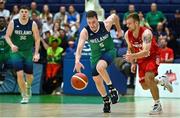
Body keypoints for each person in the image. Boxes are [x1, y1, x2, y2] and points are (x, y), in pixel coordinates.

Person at [123, 13, 173, 115]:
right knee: (145, 86)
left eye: (129, 23)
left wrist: (132, 57)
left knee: (149, 77)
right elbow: (130, 48)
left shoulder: (146, 33)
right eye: (127, 23)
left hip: (153, 56)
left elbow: (146, 51)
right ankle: (162, 81)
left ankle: (157, 105)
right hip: (140, 59)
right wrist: (133, 63)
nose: (127, 26)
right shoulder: (127, 34)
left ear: (136, 23)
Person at [74, 10, 122, 113]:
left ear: (97, 19)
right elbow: (79, 48)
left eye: (94, 22)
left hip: (109, 51)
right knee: (97, 80)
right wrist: (77, 60)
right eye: (89, 22)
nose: (92, 25)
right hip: (96, 56)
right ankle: (106, 100)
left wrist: (119, 29)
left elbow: (114, 16)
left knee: (100, 67)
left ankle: (112, 89)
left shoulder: (106, 24)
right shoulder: (85, 31)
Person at [5, 6, 40, 104]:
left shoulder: (32, 24)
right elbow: (7, 36)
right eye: (22, 12)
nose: (24, 13)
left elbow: (37, 39)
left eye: (25, 12)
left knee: (30, 76)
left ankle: (28, 86)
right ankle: (24, 95)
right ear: (19, 13)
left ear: (28, 13)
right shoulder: (13, 23)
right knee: (19, 74)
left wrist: (36, 53)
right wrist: (11, 45)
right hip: (16, 53)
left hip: (28, 52)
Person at [0, 16, 10, 84]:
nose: (2, 22)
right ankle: (1, 78)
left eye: (3, 21)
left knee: (14, 71)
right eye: (0, 21)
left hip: (8, 54)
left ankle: (23, 88)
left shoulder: (8, 31)